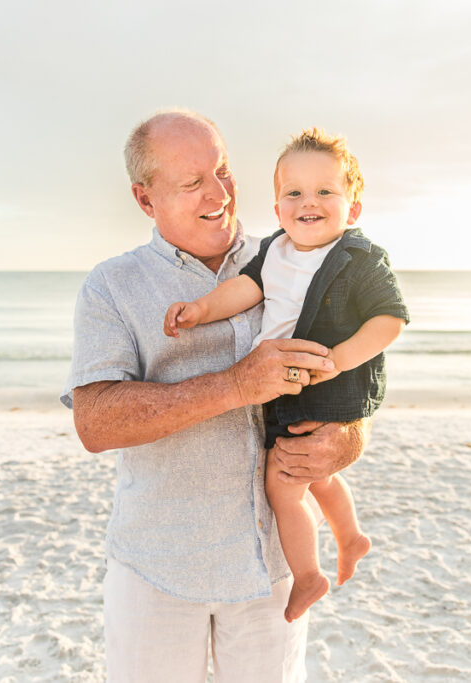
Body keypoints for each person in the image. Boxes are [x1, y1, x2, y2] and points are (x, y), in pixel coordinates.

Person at [61, 109, 369, 682]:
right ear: (145, 199)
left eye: (223, 170)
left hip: (272, 571)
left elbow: (358, 369)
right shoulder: (112, 286)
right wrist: (234, 385)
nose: (219, 192)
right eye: (192, 182)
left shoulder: (297, 256)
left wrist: (347, 439)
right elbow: (95, 422)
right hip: (157, 569)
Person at [163, 129, 409, 622]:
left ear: (353, 209)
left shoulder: (360, 258)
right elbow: (245, 289)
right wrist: (202, 309)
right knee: (313, 473)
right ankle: (350, 536)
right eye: (293, 193)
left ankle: (308, 576)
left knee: (284, 482)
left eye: (324, 192)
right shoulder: (275, 251)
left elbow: (390, 319)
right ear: (277, 209)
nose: (308, 203)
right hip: (282, 388)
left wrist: (339, 360)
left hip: (328, 385)